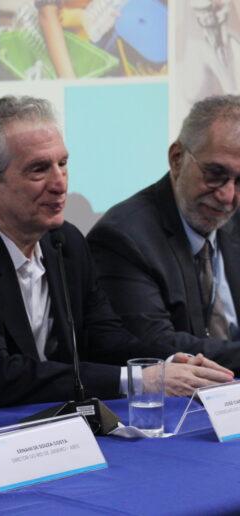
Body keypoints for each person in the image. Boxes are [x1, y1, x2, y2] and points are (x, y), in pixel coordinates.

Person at [0, 95, 233, 409]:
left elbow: (106, 338)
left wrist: (166, 364)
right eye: (39, 169)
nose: (60, 184)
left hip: (50, 427)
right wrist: (135, 380)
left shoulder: (65, 242)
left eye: (63, 163)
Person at [87, 94, 240, 374]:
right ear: (177, 158)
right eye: (215, 173)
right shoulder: (123, 238)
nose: (228, 196)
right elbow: (157, 345)